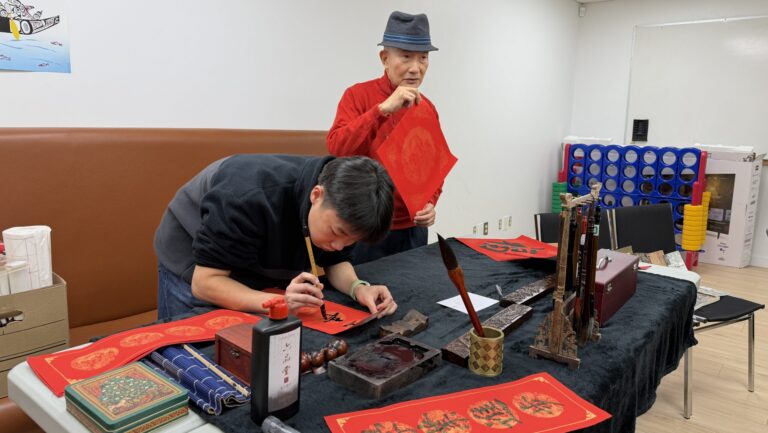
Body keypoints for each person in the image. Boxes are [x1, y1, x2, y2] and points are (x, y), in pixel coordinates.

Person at [153, 154, 398, 320]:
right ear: (316, 195)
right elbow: (206, 283)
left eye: (350, 241)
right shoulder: (247, 196)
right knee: (189, 352)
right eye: (337, 232)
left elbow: (336, 260)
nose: (338, 246)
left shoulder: (339, 205)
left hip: (251, 258)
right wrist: (279, 302)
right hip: (194, 257)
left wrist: (358, 288)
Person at [327, 11, 445, 264]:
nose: (416, 68)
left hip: (412, 227)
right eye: (406, 57)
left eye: (423, 58)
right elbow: (337, 148)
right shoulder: (357, 95)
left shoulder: (427, 107)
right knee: (363, 287)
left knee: (414, 286)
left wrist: (430, 203)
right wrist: (381, 110)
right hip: (364, 225)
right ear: (385, 58)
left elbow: (434, 167)